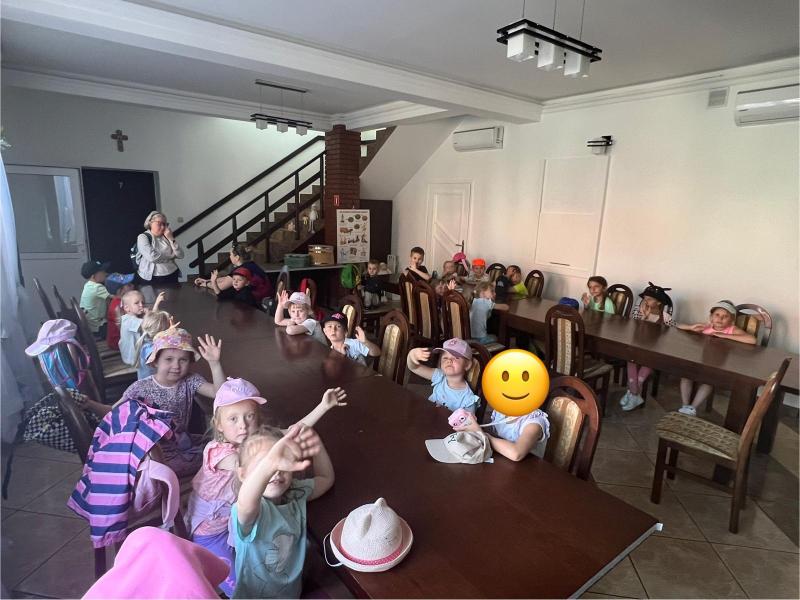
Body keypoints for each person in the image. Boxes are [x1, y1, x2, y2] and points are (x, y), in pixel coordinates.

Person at [186, 380, 346, 596]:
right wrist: (276, 456)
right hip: (211, 531)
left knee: (256, 555)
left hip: (241, 519)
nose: (243, 425)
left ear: (258, 418)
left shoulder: (259, 443)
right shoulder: (220, 453)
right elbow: (256, 475)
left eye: (250, 416)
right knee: (237, 587)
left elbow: (290, 433)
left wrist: (323, 407)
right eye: (233, 419)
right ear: (219, 424)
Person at [231, 424, 333, 598]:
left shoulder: (295, 493)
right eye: (264, 465)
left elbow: (326, 478)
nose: (276, 472)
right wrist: (270, 464)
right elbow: (246, 502)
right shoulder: (253, 511)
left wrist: (315, 441)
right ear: (243, 475)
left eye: (281, 462)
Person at [119, 327, 225, 476]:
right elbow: (113, 411)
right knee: (218, 460)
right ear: (155, 361)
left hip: (184, 445)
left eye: (183, 360)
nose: (176, 366)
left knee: (223, 451)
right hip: (156, 455)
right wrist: (90, 404)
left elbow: (220, 393)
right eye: (169, 359)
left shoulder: (190, 380)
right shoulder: (139, 388)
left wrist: (215, 364)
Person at [675, 300, 756, 415]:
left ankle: (693, 407)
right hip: (702, 361)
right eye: (717, 315)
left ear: (731, 320)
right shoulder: (707, 327)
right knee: (686, 375)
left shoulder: (731, 330)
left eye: (725, 316)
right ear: (711, 317)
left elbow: (752, 340)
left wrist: (724, 335)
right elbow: (679, 326)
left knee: (709, 381)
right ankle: (685, 404)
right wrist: (691, 327)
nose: (720, 318)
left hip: (718, 365)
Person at [621, 283, 675, 411]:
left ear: (659, 303)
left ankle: (632, 392)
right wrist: (644, 318)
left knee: (648, 362)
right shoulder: (638, 311)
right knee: (631, 360)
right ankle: (634, 393)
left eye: (649, 299)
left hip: (653, 351)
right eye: (644, 299)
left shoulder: (665, 317)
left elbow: (672, 331)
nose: (645, 301)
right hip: (637, 346)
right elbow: (633, 327)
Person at [452, 404, 550, 461]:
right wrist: (472, 427)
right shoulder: (501, 411)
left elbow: (516, 454)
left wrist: (481, 434)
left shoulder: (534, 422)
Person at [406, 338, 479, 413]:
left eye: (455, 358)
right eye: (445, 358)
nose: (449, 360)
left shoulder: (468, 399)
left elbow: (469, 420)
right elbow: (414, 368)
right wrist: (411, 355)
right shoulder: (439, 376)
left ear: (467, 365)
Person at [194, 243, 272, 301]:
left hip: (256, 301)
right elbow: (226, 278)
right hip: (263, 296)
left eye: (230, 254)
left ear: (237, 257)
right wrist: (207, 280)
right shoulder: (248, 264)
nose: (230, 257)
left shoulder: (243, 269)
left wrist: (206, 284)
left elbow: (221, 287)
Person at [119, 289, 165, 366]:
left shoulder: (131, 318)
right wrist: (156, 305)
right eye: (136, 303)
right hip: (134, 360)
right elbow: (151, 324)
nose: (141, 305)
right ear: (127, 308)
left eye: (142, 302)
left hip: (132, 357)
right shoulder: (129, 321)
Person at [136, 211, 183, 283]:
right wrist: (171, 256)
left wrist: (171, 238)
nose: (163, 227)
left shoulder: (167, 236)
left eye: (165, 224)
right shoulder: (143, 237)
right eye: (159, 223)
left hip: (172, 273)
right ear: (150, 223)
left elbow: (181, 255)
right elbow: (152, 257)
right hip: (152, 278)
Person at [134, 310, 172, 380]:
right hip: (149, 385)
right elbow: (159, 362)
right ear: (163, 332)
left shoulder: (148, 342)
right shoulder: (148, 348)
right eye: (170, 327)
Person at [79, 259, 112, 338]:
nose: (106, 273)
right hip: (98, 328)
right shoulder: (97, 287)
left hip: (90, 326)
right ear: (93, 276)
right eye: (102, 272)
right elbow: (116, 296)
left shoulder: (88, 285)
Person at [105, 277, 135, 351]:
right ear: (120, 291)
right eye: (129, 285)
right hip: (119, 342)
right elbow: (127, 329)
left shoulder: (118, 301)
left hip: (119, 339)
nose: (133, 286)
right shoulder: (119, 307)